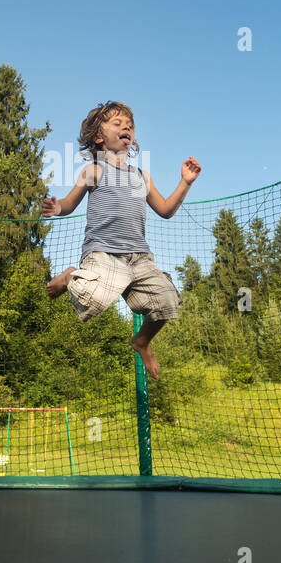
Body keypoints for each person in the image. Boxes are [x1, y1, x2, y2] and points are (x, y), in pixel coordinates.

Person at [41, 100, 201, 379]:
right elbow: (69, 202)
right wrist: (58, 208)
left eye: (130, 125)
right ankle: (70, 277)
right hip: (104, 254)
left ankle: (142, 341)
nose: (126, 127)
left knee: (167, 302)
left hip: (139, 257)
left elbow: (165, 210)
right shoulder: (94, 170)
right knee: (92, 300)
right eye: (117, 123)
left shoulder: (143, 177)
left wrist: (185, 183)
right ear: (99, 137)